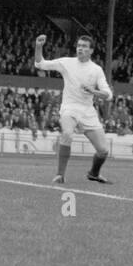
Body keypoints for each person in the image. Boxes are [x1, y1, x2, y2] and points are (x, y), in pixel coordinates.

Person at [34, 33, 114, 185]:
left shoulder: (96, 70)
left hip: (87, 111)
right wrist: (38, 46)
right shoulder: (66, 62)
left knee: (103, 150)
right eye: (78, 46)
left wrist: (93, 91)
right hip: (69, 108)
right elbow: (40, 64)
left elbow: (108, 94)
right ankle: (60, 175)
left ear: (91, 51)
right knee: (67, 133)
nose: (80, 48)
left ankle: (94, 173)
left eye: (84, 46)